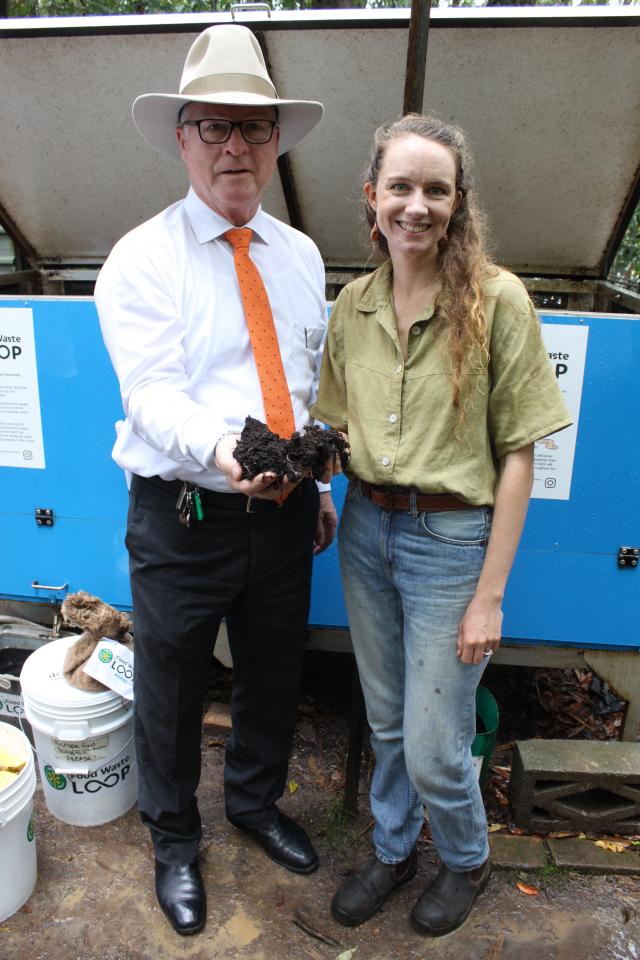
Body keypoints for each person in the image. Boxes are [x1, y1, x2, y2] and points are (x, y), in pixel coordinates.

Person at [95, 24, 338, 937]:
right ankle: (173, 839)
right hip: (185, 515)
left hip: (282, 522)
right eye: (213, 128)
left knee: (276, 672)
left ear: (275, 142)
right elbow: (153, 395)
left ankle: (253, 804)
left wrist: (309, 487)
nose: (235, 146)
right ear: (182, 139)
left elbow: (302, 387)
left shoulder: (302, 256)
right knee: (171, 687)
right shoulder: (142, 259)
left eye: (254, 128)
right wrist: (231, 451)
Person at [311, 114, 571, 938]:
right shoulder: (352, 306)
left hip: (451, 547)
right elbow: (337, 428)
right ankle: (393, 849)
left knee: (433, 740)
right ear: (372, 196)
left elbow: (520, 456)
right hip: (365, 530)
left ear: (458, 204)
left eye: (436, 189)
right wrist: (310, 474)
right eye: (401, 187)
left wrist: (490, 597)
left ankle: (465, 859)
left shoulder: (496, 300)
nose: (416, 205)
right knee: (385, 719)